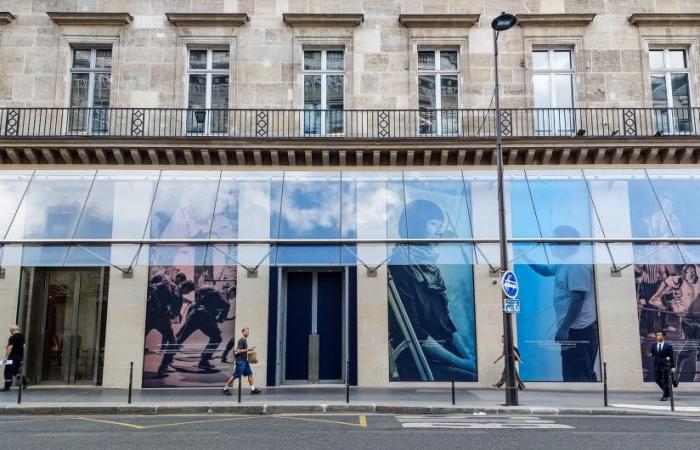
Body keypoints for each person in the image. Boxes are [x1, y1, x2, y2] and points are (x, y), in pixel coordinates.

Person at [388, 199, 476, 381]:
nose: (440, 230)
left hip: (444, 353)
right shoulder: (400, 264)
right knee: (470, 378)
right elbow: (414, 331)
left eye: (441, 224)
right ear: (417, 225)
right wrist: (461, 362)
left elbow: (446, 323)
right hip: (421, 359)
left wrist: (467, 357)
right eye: (433, 223)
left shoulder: (430, 268)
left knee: (475, 373)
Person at [524, 225, 599, 382]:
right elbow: (545, 271)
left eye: (553, 241)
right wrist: (525, 258)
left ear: (564, 245)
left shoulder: (577, 264)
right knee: (572, 370)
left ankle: (582, 403)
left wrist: (565, 328)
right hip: (572, 327)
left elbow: (578, 298)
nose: (550, 245)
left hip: (579, 329)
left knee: (578, 373)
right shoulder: (564, 261)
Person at [162, 283, 233, 372]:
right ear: (231, 292)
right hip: (205, 319)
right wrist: (219, 317)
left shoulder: (213, 291)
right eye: (233, 295)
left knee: (180, 337)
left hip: (195, 314)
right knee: (217, 338)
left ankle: (166, 362)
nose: (232, 297)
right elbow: (222, 314)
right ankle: (204, 361)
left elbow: (199, 290)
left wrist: (199, 303)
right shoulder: (225, 300)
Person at [145, 272, 195, 377]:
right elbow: (174, 315)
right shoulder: (179, 297)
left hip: (148, 314)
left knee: (139, 338)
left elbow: (149, 286)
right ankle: (163, 368)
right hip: (161, 319)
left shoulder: (163, 277)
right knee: (173, 341)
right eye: (188, 292)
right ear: (186, 289)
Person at [223, 327, 261, 395]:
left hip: (245, 361)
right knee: (235, 375)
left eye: (248, 331)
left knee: (249, 374)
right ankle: (225, 388)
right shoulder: (241, 340)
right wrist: (248, 349)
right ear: (242, 332)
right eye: (246, 331)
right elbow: (239, 350)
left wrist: (248, 353)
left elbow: (239, 350)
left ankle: (253, 389)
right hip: (240, 361)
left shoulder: (245, 340)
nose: (247, 333)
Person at [648, 330, 675, 401]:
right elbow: (652, 355)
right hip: (657, 365)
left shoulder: (668, 346)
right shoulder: (653, 345)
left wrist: (673, 367)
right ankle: (668, 392)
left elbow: (671, 358)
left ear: (663, 336)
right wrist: (650, 355)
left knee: (665, 381)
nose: (657, 336)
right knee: (657, 380)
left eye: (659, 335)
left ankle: (665, 396)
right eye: (657, 335)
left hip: (665, 366)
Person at [2, 325, 28, 392]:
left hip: (12, 357)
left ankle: (7, 387)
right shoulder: (22, 337)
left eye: (10, 330)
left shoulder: (12, 337)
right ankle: (24, 380)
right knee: (15, 370)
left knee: (8, 371)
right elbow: (24, 346)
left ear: (13, 330)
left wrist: (5, 358)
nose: (10, 331)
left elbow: (10, 348)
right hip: (19, 357)